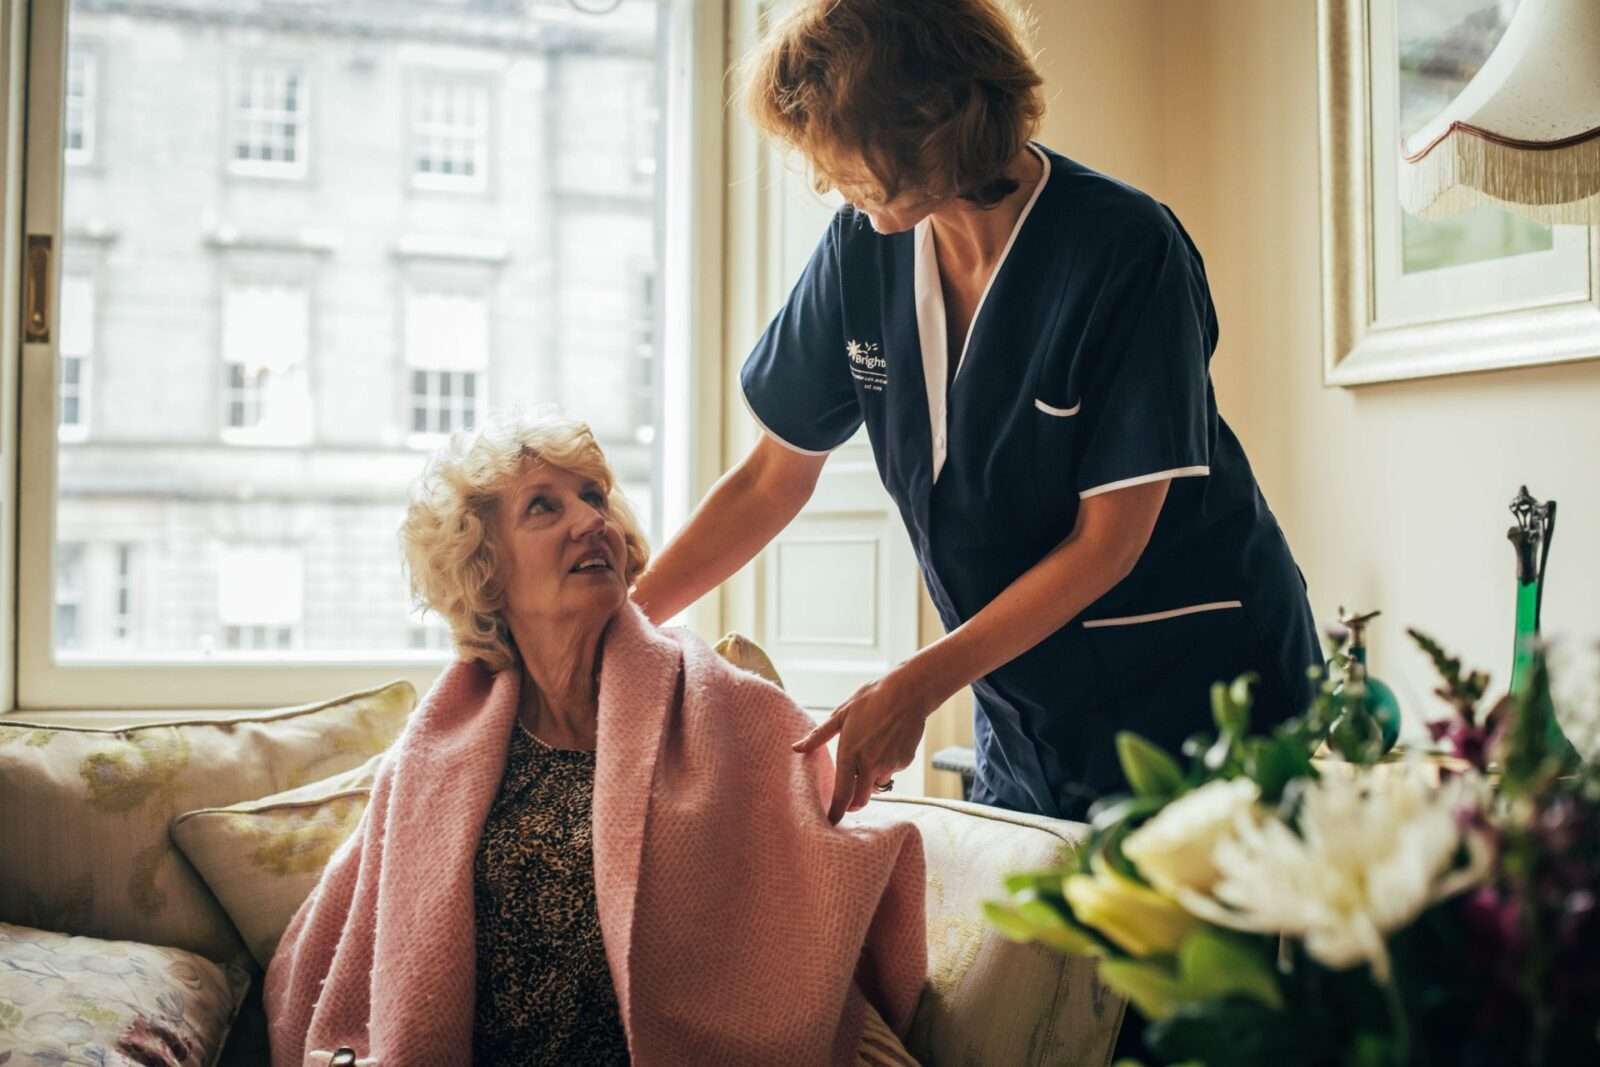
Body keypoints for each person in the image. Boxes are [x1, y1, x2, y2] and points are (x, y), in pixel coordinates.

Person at [631, 0, 1321, 826]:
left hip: (1202, 695)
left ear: (929, 118)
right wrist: (621, 626)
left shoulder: (1126, 249)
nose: (821, 176)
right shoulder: (862, 249)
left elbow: (1109, 542)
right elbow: (771, 478)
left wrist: (918, 684)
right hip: (1025, 711)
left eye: (838, 144)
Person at [264, 414, 925, 1067]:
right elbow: (345, 938)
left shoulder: (723, 704)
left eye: (594, 497)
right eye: (544, 507)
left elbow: (824, 852)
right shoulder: (436, 754)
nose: (590, 520)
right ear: (487, 569)